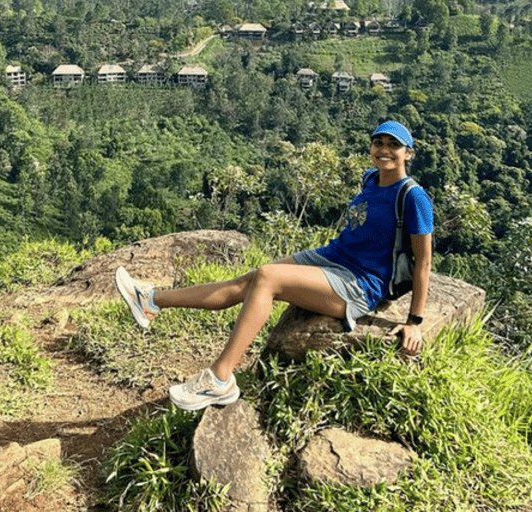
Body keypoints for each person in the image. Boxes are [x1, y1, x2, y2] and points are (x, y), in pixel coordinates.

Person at [115, 121, 433, 411]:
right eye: (379, 142)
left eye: (394, 145)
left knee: (267, 278)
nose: (385, 150)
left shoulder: (413, 197)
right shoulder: (370, 179)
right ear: (371, 148)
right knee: (255, 277)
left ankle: (220, 380)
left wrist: (414, 321)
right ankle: (151, 300)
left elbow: (423, 263)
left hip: (360, 283)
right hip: (333, 257)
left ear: (409, 153)